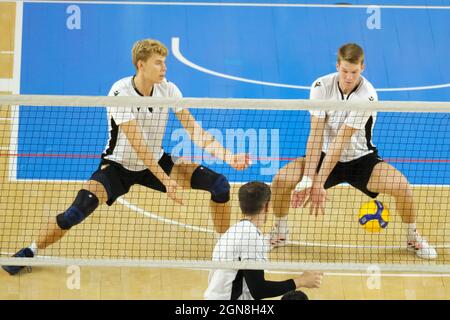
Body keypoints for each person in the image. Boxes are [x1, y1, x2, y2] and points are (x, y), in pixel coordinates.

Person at [2, 39, 250, 275]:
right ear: (141, 64)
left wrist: (229, 156)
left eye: (164, 62)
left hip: (156, 159)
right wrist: (167, 182)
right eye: (158, 62)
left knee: (219, 184)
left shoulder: (169, 89)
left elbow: (194, 130)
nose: (164, 68)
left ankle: (224, 249)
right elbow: (138, 145)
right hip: (118, 167)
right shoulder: (120, 92)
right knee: (77, 211)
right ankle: (30, 250)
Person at [270, 43, 437, 260]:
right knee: (281, 180)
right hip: (323, 155)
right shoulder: (321, 87)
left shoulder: (367, 96)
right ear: (338, 65)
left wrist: (319, 183)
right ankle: (280, 232)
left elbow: (341, 141)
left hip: (360, 160)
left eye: (354, 72)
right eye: (345, 71)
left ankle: (412, 238)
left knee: (402, 187)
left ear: (362, 68)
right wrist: (309, 178)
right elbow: (315, 134)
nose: (349, 77)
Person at [204, 181, 323, 300]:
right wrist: (301, 281)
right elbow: (259, 290)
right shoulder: (251, 237)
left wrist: (265, 243)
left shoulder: (234, 231)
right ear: (267, 205)